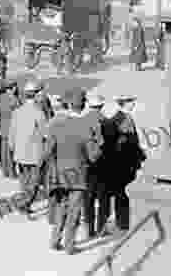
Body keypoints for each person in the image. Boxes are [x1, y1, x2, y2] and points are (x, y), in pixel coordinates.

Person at [41, 87, 103, 254]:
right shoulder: (84, 126)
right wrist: (99, 145)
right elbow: (93, 156)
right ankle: (69, 245)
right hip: (78, 175)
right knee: (74, 211)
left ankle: (55, 240)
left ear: (68, 104)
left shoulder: (56, 124)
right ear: (83, 105)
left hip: (60, 174)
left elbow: (46, 152)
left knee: (61, 207)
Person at [9, 79, 48, 215]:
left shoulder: (17, 111)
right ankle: (23, 204)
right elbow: (46, 133)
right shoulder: (39, 112)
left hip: (20, 153)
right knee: (34, 182)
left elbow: (12, 133)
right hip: (34, 153)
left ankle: (24, 205)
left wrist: (13, 149)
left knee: (24, 181)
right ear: (36, 94)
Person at [111, 95, 146, 233]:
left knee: (121, 192)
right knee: (123, 193)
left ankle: (122, 221)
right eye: (131, 101)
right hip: (126, 162)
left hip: (121, 162)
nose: (133, 104)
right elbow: (129, 143)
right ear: (124, 103)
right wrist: (140, 155)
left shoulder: (118, 117)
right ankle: (123, 222)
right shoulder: (124, 119)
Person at [84, 94, 117, 238]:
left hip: (87, 166)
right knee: (104, 199)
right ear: (102, 106)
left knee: (88, 199)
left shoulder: (81, 122)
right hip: (104, 166)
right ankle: (102, 228)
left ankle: (89, 229)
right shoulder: (108, 122)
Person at [0, 78, 21, 178]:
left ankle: (5, 172)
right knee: (12, 152)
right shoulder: (15, 99)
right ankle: (12, 172)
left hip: (3, 128)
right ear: (13, 88)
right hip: (13, 129)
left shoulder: (0, 98)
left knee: (4, 152)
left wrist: (1, 123)